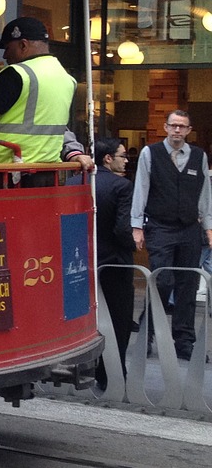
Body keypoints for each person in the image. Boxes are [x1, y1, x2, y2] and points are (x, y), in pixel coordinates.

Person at [0, 17, 86, 185]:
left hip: (1, 173)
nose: (4, 55)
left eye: (7, 47)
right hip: (44, 174)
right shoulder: (65, 78)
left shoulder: (17, 73)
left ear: (23, 45)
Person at [130, 109, 212, 362]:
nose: (177, 131)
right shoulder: (150, 153)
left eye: (182, 127)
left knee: (188, 285)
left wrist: (208, 226)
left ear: (189, 130)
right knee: (162, 281)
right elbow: (140, 188)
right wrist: (136, 225)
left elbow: (204, 194)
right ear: (165, 128)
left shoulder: (198, 156)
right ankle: (147, 335)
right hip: (161, 227)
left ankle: (184, 341)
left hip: (189, 228)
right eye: (173, 126)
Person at [79, 137, 135, 380]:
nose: (126, 161)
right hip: (114, 263)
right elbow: (123, 229)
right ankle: (112, 372)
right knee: (119, 320)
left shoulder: (74, 181)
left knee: (84, 319)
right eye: (122, 156)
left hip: (81, 262)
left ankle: (84, 367)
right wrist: (133, 246)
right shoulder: (121, 186)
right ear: (108, 158)